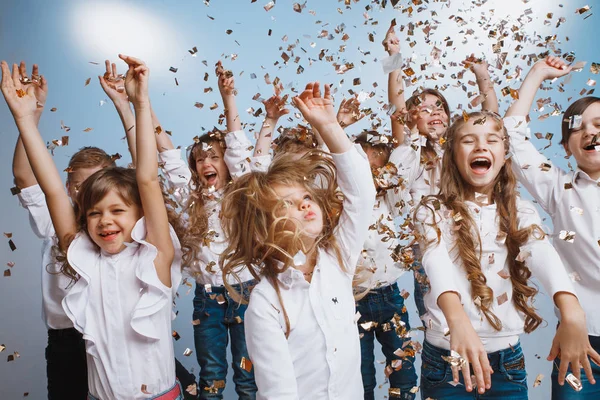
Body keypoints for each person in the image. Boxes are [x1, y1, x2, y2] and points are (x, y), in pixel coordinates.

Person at [1, 55, 184, 399]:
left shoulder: (156, 258)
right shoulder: (83, 259)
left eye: (117, 210)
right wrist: (25, 119)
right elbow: (54, 188)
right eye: (95, 213)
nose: (105, 220)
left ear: (140, 214)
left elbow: (146, 177)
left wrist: (139, 102)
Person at [414, 110, 593, 399]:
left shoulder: (520, 211)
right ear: (453, 155)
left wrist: (572, 310)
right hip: (447, 364)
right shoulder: (431, 210)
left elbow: (540, 251)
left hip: (506, 363)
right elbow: (435, 261)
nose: (481, 147)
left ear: (505, 153)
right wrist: (457, 321)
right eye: (468, 140)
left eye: (492, 140)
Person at [220, 81, 377, 399]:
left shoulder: (338, 260)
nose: (305, 204)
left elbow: (362, 194)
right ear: (263, 227)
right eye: (286, 203)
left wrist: (328, 125)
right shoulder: (265, 304)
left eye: (306, 196)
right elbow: (279, 393)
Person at [10, 61, 116, 399]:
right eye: (78, 185)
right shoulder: (55, 217)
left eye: (97, 184)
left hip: (111, 330)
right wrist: (34, 111)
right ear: (68, 188)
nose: (86, 192)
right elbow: (24, 177)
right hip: (66, 336)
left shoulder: (118, 223)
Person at [157, 61, 258, 399]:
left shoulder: (240, 190)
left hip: (245, 292)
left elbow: (239, 146)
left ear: (226, 163)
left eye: (213, 157)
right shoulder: (190, 196)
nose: (206, 164)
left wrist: (227, 99)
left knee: (248, 376)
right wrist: (138, 104)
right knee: (211, 376)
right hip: (207, 300)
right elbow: (166, 151)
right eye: (199, 159)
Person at [504, 55, 600, 399]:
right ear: (566, 147)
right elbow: (512, 138)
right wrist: (537, 75)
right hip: (583, 341)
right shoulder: (559, 189)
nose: (590, 131)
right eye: (579, 128)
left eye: (599, 124)